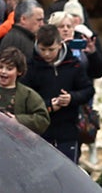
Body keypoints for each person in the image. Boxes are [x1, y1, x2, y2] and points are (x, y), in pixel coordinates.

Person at [26, 25, 94, 167]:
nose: (46, 54)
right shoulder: (31, 67)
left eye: (51, 50)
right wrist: (49, 105)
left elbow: (88, 90)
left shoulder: (74, 65)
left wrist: (71, 98)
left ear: (60, 44)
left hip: (67, 132)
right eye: (42, 49)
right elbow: (25, 99)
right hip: (39, 133)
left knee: (67, 176)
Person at [0, 48, 51, 134]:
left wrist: (18, 120)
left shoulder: (28, 95)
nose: (3, 71)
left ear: (19, 71)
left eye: (9, 69)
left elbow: (43, 119)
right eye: (0, 67)